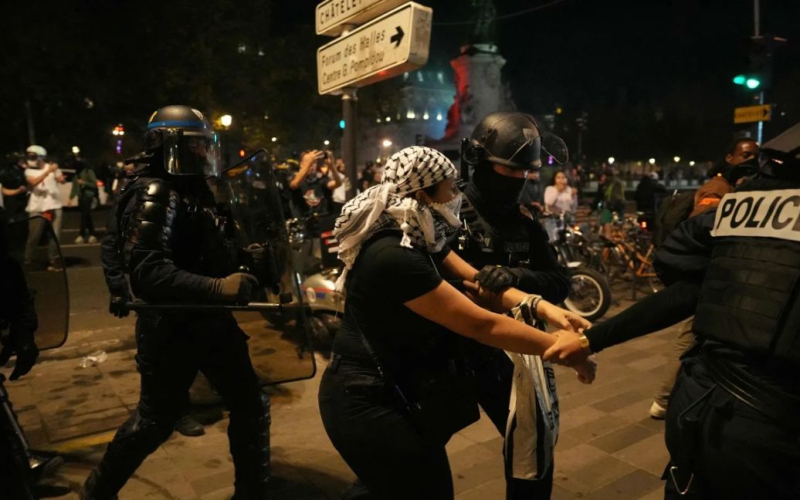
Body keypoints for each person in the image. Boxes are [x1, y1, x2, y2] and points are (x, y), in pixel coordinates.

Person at [319, 146, 594, 500]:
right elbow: (482, 325)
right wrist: (565, 350)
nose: (456, 197)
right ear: (422, 194)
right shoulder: (394, 255)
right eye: (450, 189)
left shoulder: (419, 233)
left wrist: (549, 311)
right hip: (366, 398)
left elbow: (477, 280)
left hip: (395, 386)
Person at [543, 122, 800, 499]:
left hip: (698, 406)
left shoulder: (744, 207)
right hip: (774, 428)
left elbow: (683, 282)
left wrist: (590, 340)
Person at [84, 105, 271, 499]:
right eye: (195, 146)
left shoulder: (191, 188)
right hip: (171, 327)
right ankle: (97, 492)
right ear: (166, 145)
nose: (203, 154)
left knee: (251, 404)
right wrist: (220, 288)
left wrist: (244, 258)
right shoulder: (156, 190)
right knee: (155, 421)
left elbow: (201, 248)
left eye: (206, 145)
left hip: (209, 321)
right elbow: (149, 271)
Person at [457, 112, 572, 498]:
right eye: (511, 172)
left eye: (527, 173)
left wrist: (516, 278)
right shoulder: (446, 213)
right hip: (446, 350)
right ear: (479, 162)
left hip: (504, 353)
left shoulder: (523, 222)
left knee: (533, 452)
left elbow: (559, 281)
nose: (520, 182)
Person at [647, 141, 761, 419]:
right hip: (708, 276)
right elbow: (701, 223)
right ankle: (663, 399)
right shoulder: (717, 188)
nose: (750, 161)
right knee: (689, 334)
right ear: (729, 157)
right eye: (744, 155)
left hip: (717, 275)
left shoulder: (733, 186)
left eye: (755, 157)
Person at [690, 138, 759, 218]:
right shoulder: (717, 186)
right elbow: (700, 217)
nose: (752, 159)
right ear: (729, 157)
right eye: (746, 155)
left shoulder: (747, 183)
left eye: (756, 157)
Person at [23, 145, 65, 271]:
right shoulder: (29, 171)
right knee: (34, 236)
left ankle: (54, 260)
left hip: (54, 205)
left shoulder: (52, 167)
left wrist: (60, 178)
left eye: (33, 156)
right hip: (37, 207)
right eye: (29, 156)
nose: (30, 159)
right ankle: (27, 260)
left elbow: (60, 179)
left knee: (55, 236)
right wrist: (48, 172)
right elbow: (33, 182)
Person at [289, 149, 343, 219]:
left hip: (323, 223)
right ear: (301, 164)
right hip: (304, 223)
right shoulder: (295, 178)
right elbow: (294, 185)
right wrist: (307, 166)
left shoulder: (321, 179)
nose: (311, 165)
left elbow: (338, 183)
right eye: (308, 162)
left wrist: (332, 165)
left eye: (314, 162)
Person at [69, 160, 99, 244]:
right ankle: (92, 234)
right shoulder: (76, 174)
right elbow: (74, 187)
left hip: (88, 196)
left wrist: (84, 183)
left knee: (84, 215)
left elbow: (94, 184)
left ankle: (81, 234)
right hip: (81, 197)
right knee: (87, 215)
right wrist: (70, 198)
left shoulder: (88, 171)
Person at [596, 168, 625, 240]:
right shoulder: (618, 182)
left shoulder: (608, 183)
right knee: (619, 225)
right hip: (620, 206)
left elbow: (601, 196)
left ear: (605, 176)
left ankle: (608, 239)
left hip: (610, 207)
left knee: (606, 223)